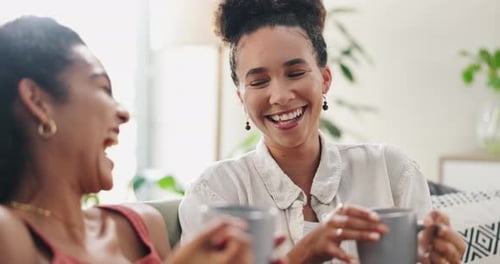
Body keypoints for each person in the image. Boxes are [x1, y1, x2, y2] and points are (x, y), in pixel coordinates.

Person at [178, 0, 466, 263]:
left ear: (325, 79)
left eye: (295, 73)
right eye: (258, 81)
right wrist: (303, 255)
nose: (280, 96)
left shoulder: (391, 172)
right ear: (241, 98)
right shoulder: (214, 194)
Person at [0, 16, 253, 264]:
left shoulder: (142, 226)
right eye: (102, 88)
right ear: (37, 102)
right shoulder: (9, 234)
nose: (123, 113)